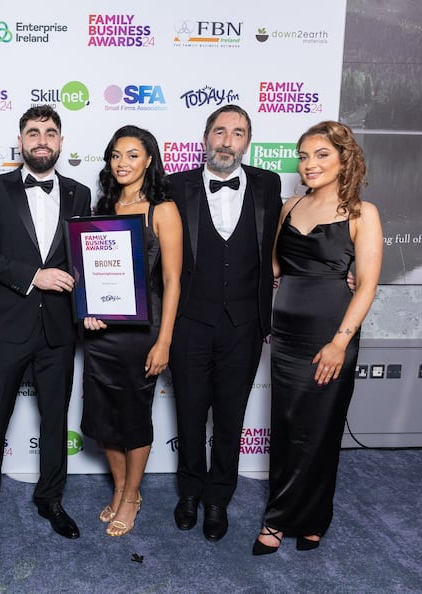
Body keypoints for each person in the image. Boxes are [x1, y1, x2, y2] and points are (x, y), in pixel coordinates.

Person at [252, 121, 382, 555]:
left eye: (321, 155)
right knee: (287, 426)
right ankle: (279, 515)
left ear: (345, 159)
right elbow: (274, 268)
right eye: (304, 156)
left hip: (332, 336)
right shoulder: (289, 208)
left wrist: (340, 342)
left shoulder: (364, 213)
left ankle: (310, 518)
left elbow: (366, 285)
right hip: (286, 336)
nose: (310, 164)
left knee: (321, 430)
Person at [0, 105, 91, 549]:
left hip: (59, 330)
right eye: (34, 132)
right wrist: (32, 276)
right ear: (20, 141)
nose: (42, 139)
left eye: (51, 132)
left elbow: (84, 260)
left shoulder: (79, 193)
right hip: (9, 326)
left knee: (55, 420)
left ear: (61, 141)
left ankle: (50, 499)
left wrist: (92, 303)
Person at [169, 104, 283, 541]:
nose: (227, 141)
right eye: (219, 131)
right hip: (189, 322)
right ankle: (190, 493)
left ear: (247, 142)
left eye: (237, 133)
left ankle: (218, 498)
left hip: (244, 323)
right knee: (190, 413)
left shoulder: (268, 184)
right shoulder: (177, 187)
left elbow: (290, 234)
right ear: (205, 138)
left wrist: (342, 266)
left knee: (231, 417)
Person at [81, 125, 182, 537]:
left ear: (149, 161)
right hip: (101, 334)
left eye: (132, 155)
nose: (122, 163)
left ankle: (132, 495)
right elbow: (89, 272)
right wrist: (85, 310)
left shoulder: (163, 209)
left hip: (144, 332)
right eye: (116, 155)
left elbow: (173, 281)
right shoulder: (101, 207)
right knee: (104, 417)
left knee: (134, 418)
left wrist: (165, 340)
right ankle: (121, 488)